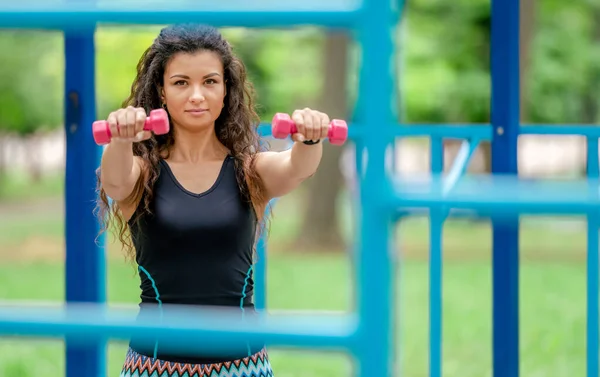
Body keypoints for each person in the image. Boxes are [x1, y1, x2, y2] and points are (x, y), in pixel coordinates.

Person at [95, 23, 335, 377]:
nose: (197, 95)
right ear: (161, 91)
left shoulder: (250, 171)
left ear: (226, 90)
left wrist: (310, 139)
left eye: (209, 81)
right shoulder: (142, 173)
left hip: (243, 365)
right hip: (155, 364)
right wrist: (119, 139)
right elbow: (114, 181)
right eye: (181, 82)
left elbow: (296, 168)